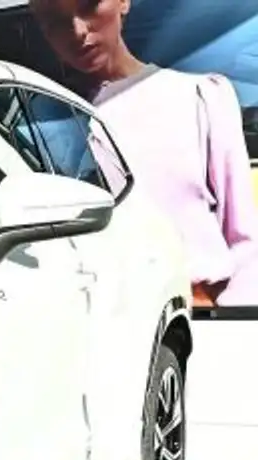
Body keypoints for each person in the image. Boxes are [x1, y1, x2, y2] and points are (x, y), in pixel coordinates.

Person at [29, 0, 258, 307]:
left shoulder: (198, 97)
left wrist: (235, 319)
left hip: (201, 312)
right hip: (100, 318)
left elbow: (245, 240)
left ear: (123, 2)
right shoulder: (39, 127)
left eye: (88, 5)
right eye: (56, 22)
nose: (77, 30)